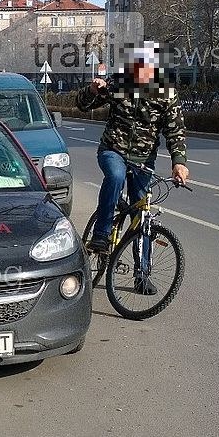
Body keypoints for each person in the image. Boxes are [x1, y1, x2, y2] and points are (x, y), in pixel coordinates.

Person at [76, 42, 189, 295]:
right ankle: (101, 234)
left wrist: (179, 162)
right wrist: (92, 90)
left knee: (142, 215)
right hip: (112, 150)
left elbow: (175, 131)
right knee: (114, 176)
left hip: (142, 159)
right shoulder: (118, 83)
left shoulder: (166, 93)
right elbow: (83, 105)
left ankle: (142, 274)